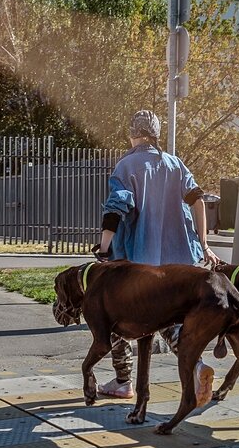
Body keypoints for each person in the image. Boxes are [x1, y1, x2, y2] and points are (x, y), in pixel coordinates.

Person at [92, 110, 221, 403]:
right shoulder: (175, 165)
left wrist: (103, 248)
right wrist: (203, 244)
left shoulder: (126, 167)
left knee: (113, 316)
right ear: (156, 134)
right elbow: (198, 200)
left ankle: (124, 381)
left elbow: (116, 209)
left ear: (131, 134)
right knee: (170, 320)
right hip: (180, 264)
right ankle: (197, 365)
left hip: (140, 264)